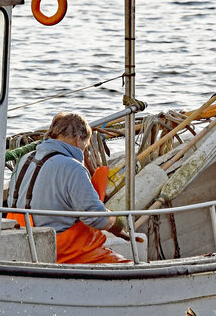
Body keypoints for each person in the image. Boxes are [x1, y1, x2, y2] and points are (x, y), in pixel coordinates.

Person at [7, 112, 131, 264]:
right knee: (127, 266)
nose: (84, 151)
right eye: (86, 145)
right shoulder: (73, 167)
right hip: (61, 252)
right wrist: (116, 222)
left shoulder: (24, 160)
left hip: (21, 246)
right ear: (79, 139)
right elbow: (95, 217)